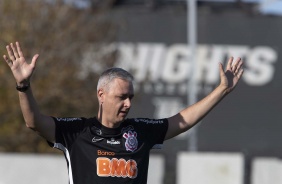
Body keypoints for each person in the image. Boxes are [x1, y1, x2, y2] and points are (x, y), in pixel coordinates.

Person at [3, 42, 244, 184]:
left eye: (131, 97)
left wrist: (221, 90)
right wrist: (23, 86)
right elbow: (33, 122)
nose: (128, 103)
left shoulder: (140, 131)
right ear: (101, 95)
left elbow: (182, 121)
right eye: (121, 97)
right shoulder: (76, 131)